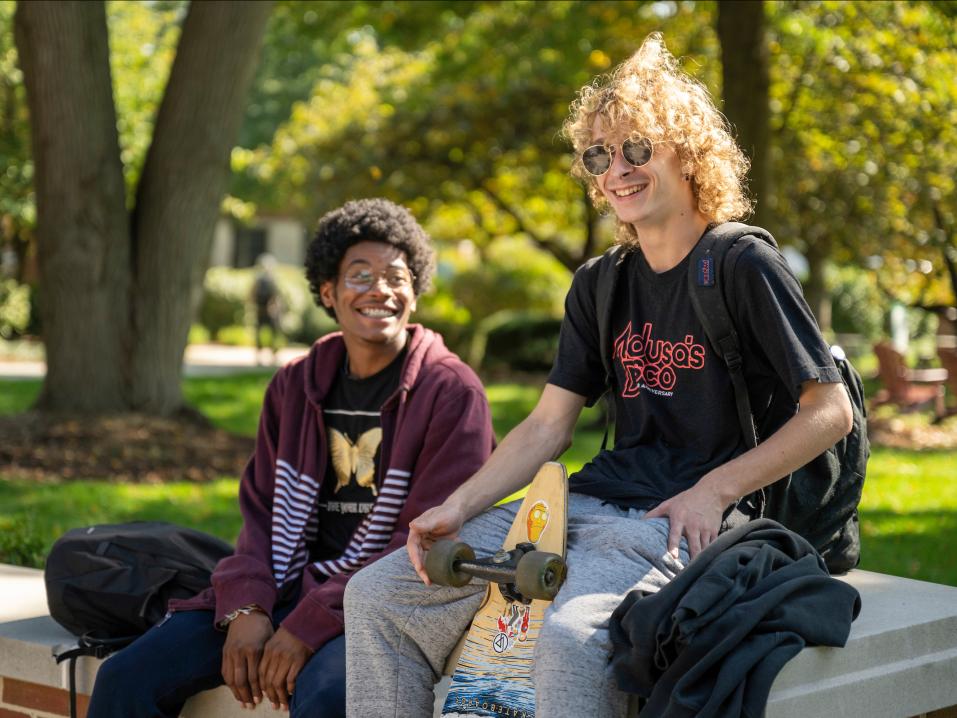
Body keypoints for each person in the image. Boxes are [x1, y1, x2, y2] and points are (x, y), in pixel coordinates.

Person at [343, 34, 853, 717]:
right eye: (599, 155)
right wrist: (456, 508)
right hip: (588, 505)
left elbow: (829, 411)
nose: (617, 169)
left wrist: (713, 490)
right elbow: (549, 426)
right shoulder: (600, 283)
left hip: (693, 518)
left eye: (637, 147)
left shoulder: (738, 265)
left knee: (571, 636)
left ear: (688, 153)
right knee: (377, 596)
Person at [86, 198, 496, 718]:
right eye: (360, 275)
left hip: (383, 605)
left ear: (415, 291)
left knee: (326, 696)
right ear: (328, 292)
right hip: (285, 584)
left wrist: (311, 622)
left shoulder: (451, 392)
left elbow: (426, 543)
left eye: (396, 276)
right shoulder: (295, 385)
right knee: (127, 677)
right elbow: (259, 513)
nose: (380, 290)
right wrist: (246, 604)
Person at [251, 252, 283, 365]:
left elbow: (253, 294)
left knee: (270, 333)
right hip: (263, 310)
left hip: (265, 310)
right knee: (264, 333)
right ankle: (261, 356)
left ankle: (272, 355)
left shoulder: (265, 279)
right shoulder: (265, 279)